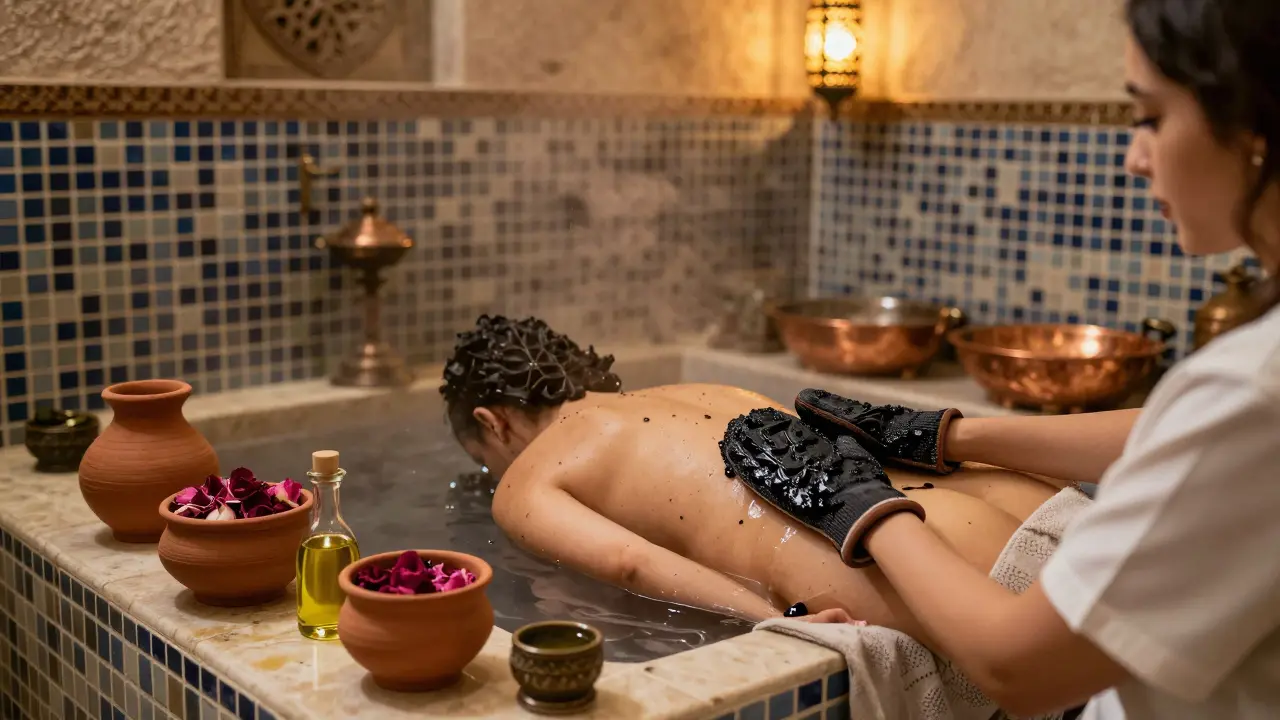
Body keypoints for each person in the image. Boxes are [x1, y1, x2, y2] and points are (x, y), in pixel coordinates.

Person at [730, 1, 1280, 717]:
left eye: (1150, 118)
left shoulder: (1250, 385)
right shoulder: (1248, 387)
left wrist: (858, 504)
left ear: (1251, 126)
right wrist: (947, 435)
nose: (1133, 158)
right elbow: (1188, 433)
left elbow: (1016, 667)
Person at [439, 314, 1065, 646]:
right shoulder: (693, 390)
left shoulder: (526, 479)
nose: (496, 475)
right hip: (1006, 499)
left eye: (485, 460)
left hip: (883, 559)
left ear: (492, 424)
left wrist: (773, 619)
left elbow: (631, 564)